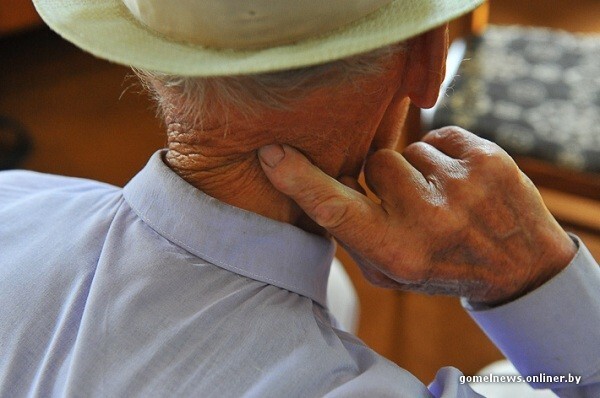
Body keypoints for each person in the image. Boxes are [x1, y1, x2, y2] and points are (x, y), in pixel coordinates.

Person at [0, 0, 598, 396]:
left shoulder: (12, 199)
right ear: (428, 57)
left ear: (150, 61)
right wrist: (536, 271)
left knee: (335, 291)